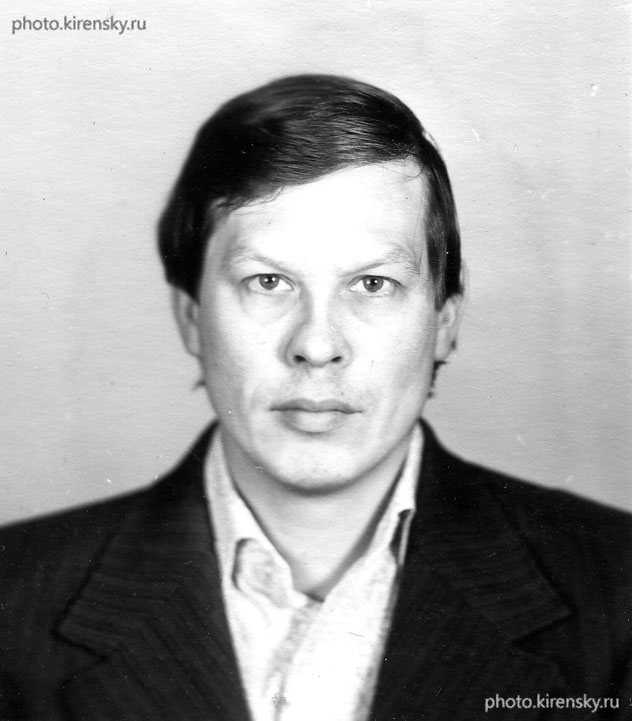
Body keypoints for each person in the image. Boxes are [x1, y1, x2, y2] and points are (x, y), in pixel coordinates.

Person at [0, 75, 630, 721]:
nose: (317, 344)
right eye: (267, 281)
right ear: (190, 315)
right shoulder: (11, 602)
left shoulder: (619, 592)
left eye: (373, 283)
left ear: (445, 318)